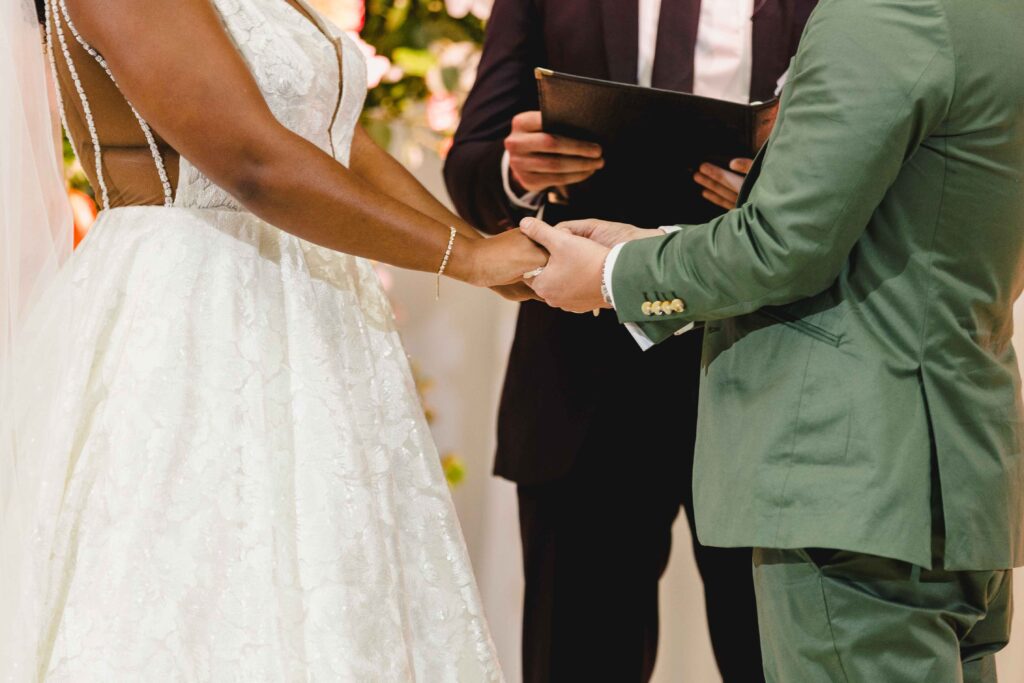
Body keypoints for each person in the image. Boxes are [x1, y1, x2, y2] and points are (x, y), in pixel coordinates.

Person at [0, 0, 549, 678]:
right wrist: (461, 260)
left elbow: (329, 136)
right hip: (195, 315)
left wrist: (479, 250)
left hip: (305, 313)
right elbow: (252, 159)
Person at [520, 0, 1024, 680]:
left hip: (849, 479)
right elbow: (915, 237)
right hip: (952, 477)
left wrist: (614, 275)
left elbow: (784, 247)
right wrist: (656, 246)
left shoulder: (887, 13)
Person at [444, 0, 814, 680]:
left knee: (782, 663)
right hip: (583, 382)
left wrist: (780, 201)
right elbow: (471, 167)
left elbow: (861, 168)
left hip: (768, 375)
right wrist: (518, 174)